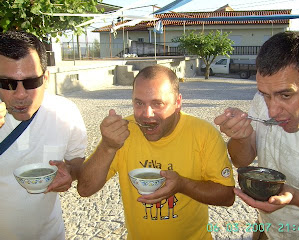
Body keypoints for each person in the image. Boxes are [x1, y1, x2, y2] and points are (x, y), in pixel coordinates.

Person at [77, 65, 235, 240]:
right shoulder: (123, 133)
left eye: (157, 103)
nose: (146, 114)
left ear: (178, 102)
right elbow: (85, 188)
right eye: (139, 103)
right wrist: (107, 146)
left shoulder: (204, 134)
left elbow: (227, 196)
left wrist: (182, 185)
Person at [214, 31, 299, 239]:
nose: (272, 111)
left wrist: (297, 198)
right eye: (265, 94)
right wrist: (241, 136)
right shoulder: (261, 102)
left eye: (285, 95)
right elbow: (242, 159)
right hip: (264, 230)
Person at [0, 31, 87, 239]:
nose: (20, 94)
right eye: (8, 84)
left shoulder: (65, 113)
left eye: (31, 82)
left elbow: (76, 162)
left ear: (46, 78)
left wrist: (71, 174)